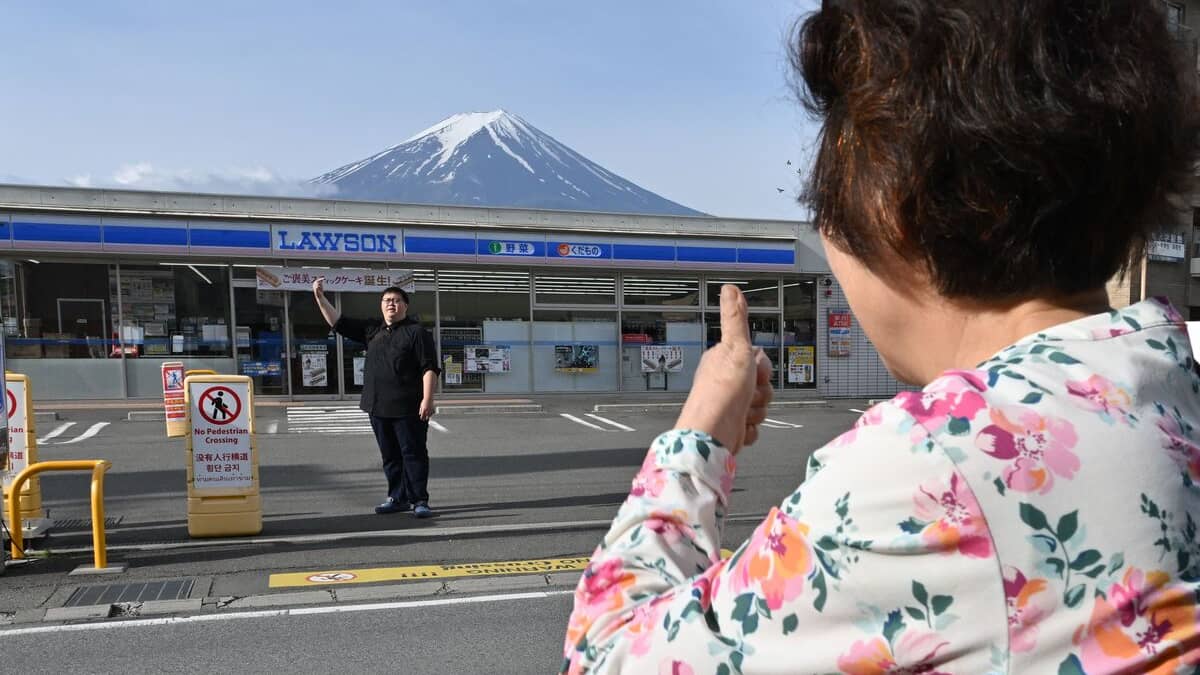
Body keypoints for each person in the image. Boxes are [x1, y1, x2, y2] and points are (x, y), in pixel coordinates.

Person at [562, 2, 1200, 673]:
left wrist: (702, 429)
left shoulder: (937, 469)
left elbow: (607, 654)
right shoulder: (1168, 391)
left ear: (888, 201)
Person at [313, 279, 440, 517]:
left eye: (397, 300)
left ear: (405, 306)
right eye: (387, 300)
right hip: (377, 406)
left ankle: (419, 500)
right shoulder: (373, 330)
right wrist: (320, 298)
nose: (391, 304)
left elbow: (429, 368)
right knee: (390, 456)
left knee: (413, 454)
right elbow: (338, 322)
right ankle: (397, 497)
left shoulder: (417, 333)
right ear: (381, 305)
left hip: (409, 407)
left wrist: (427, 399)